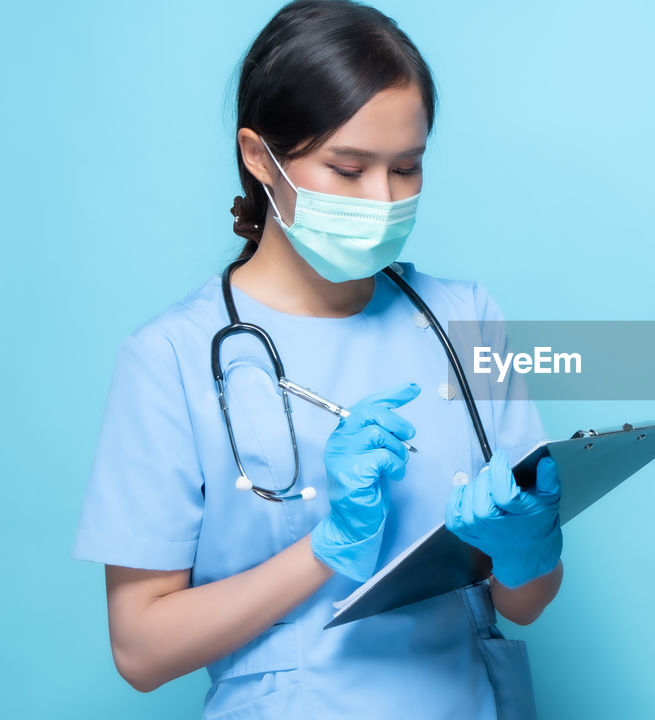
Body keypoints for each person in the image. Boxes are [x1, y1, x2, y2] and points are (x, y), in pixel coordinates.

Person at [71, 1, 564, 717]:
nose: (382, 198)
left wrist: (528, 547)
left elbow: (526, 604)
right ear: (258, 155)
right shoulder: (171, 357)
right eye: (348, 167)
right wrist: (326, 546)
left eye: (407, 168)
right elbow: (141, 652)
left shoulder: (465, 318)